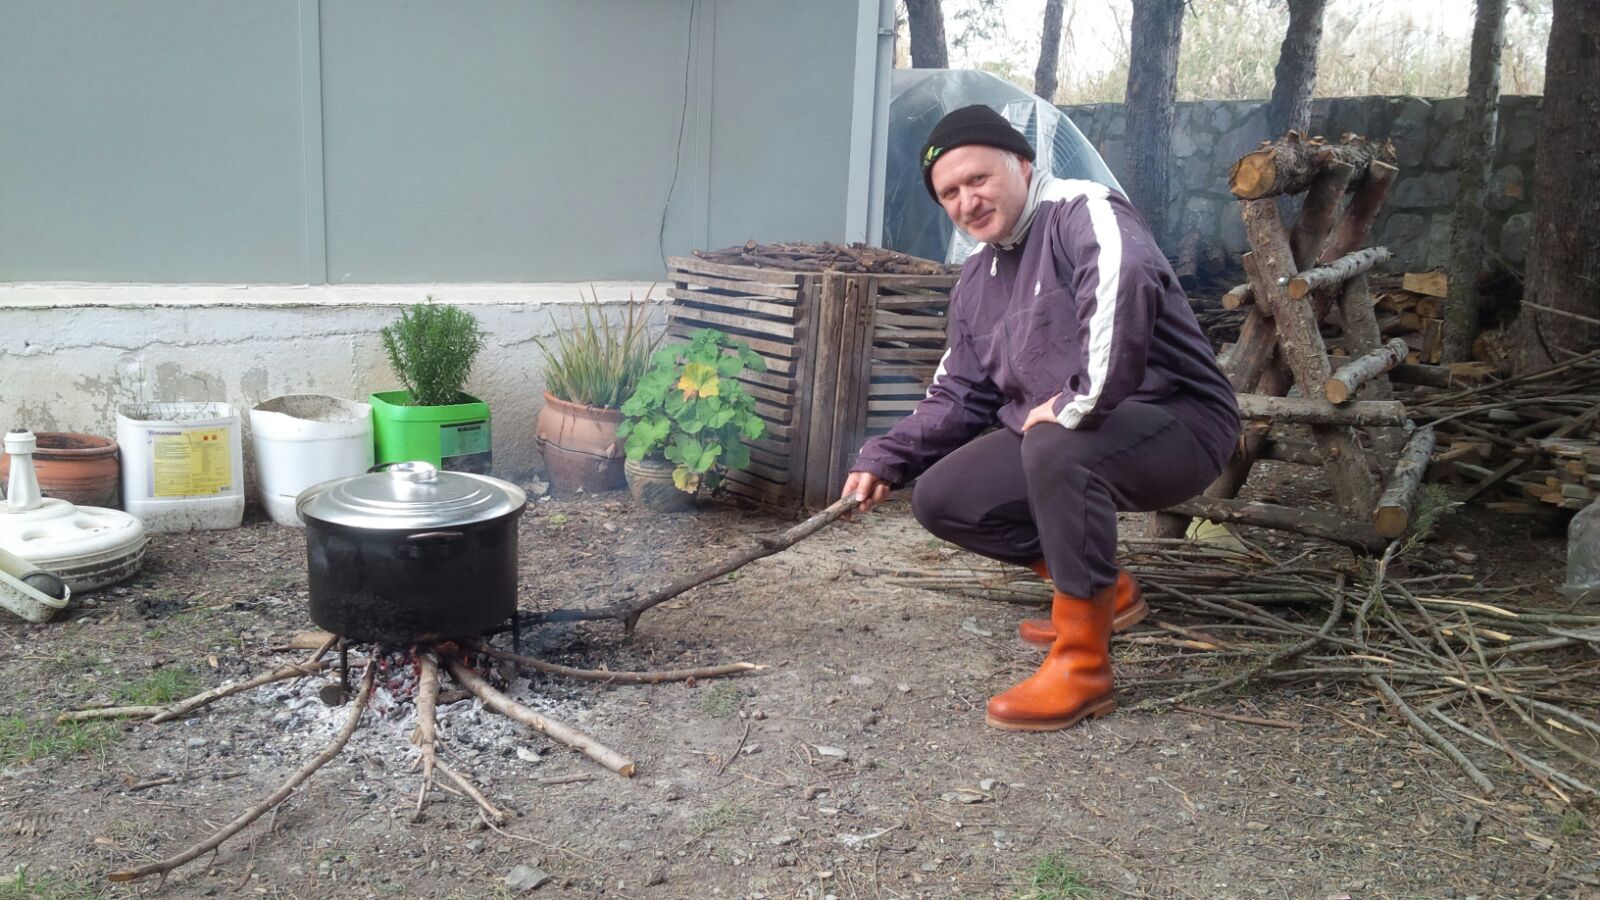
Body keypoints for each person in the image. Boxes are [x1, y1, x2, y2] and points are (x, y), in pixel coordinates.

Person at [842, 105, 1240, 732]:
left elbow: (1126, 279)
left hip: (1179, 421)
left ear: (1023, 165)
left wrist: (1078, 400)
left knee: (1056, 441)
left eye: (978, 179)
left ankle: (1083, 666)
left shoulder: (1083, 210)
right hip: (1069, 434)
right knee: (946, 498)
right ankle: (1107, 592)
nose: (967, 201)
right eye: (950, 193)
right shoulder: (976, 278)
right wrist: (885, 457)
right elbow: (959, 391)